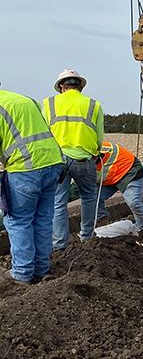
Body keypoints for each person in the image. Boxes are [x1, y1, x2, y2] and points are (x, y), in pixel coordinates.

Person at [0, 86, 64, 285]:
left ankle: (22, 273)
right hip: (53, 162)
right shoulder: (25, 97)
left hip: (25, 168)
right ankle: (41, 269)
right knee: (43, 219)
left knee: (19, 220)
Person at [43, 70, 104, 250]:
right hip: (84, 158)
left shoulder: (48, 103)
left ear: (61, 87)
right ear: (80, 87)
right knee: (89, 196)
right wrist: (95, 151)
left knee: (57, 201)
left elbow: (44, 131)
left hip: (57, 159)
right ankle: (87, 237)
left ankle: (59, 244)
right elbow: (99, 136)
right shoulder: (94, 104)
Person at [95, 141, 143, 248]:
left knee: (134, 202)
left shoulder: (88, 152)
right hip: (110, 177)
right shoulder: (78, 154)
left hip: (129, 171)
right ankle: (103, 228)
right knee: (92, 198)